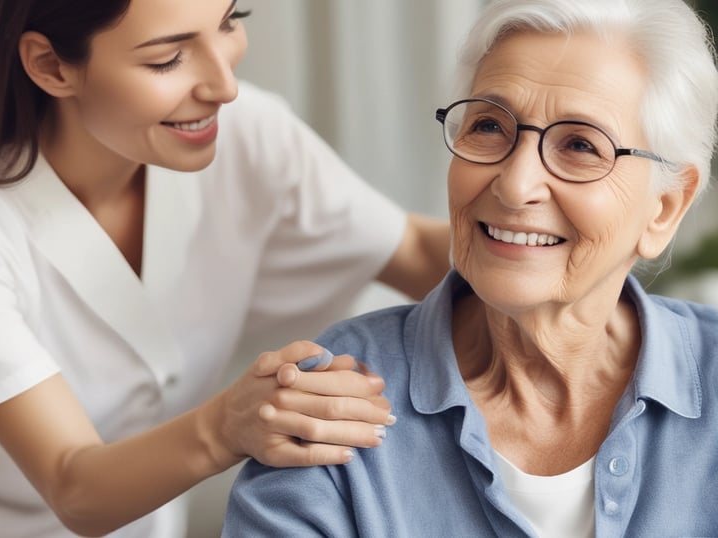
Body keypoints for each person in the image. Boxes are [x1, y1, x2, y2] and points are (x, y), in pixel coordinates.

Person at [0, 1, 452, 537]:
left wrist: (533, 242)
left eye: (231, 22)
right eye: (168, 58)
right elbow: (75, 486)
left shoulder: (244, 133)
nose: (224, 86)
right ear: (51, 65)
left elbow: (415, 251)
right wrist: (227, 425)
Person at [223, 0, 718, 536]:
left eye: (579, 144)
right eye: (488, 126)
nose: (514, 184)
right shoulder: (332, 401)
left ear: (665, 207)